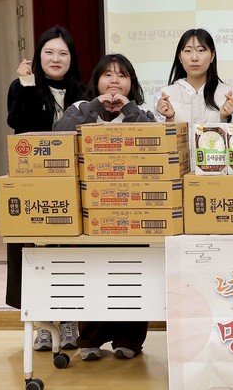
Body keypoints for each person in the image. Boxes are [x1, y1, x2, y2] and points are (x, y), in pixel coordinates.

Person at [54, 53, 154, 361]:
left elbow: (154, 140)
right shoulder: (80, 109)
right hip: (93, 209)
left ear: (131, 83)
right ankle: (91, 339)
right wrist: (95, 108)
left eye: (122, 76)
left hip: (134, 208)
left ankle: (129, 339)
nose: (114, 81)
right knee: (95, 271)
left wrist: (129, 110)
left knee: (131, 273)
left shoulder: (141, 112)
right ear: (96, 81)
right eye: (108, 75)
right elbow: (59, 136)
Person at [6, 25, 85, 352]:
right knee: (33, 254)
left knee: (67, 254)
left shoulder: (82, 90)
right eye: (49, 52)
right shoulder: (22, 86)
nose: (56, 59)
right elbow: (19, 123)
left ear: (71, 58)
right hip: (33, 185)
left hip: (70, 186)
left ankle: (68, 321)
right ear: (38, 56)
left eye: (63, 53)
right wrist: (27, 84)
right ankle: (41, 324)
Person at [152, 28, 233, 158]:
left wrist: (224, 118)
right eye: (188, 51)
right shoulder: (164, 95)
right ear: (180, 57)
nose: (194, 58)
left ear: (212, 56)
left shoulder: (228, 93)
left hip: (215, 168)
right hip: (178, 167)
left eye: (201, 50)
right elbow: (159, 146)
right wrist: (170, 119)